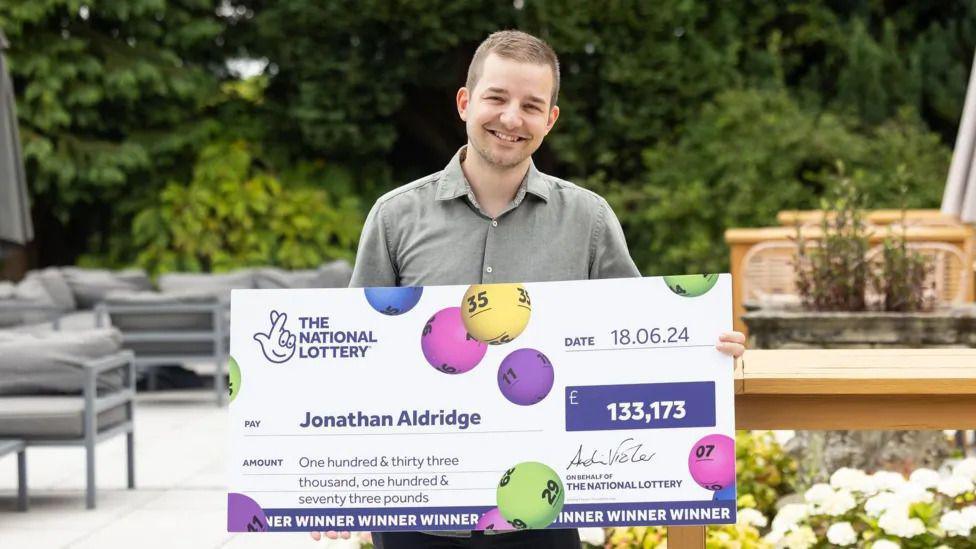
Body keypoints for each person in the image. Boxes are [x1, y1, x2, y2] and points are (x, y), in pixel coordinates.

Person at [312, 29, 746, 548]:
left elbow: (638, 343)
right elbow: (354, 358)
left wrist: (703, 348)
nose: (511, 118)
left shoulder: (587, 219)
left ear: (550, 120)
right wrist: (328, 485)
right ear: (465, 102)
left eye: (531, 105)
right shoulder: (395, 216)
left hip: (544, 510)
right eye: (496, 97)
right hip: (418, 516)